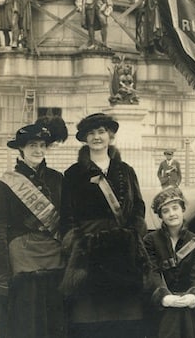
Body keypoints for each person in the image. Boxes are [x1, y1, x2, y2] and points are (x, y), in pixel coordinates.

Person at [59, 113, 150, 338]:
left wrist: (133, 233)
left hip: (123, 252)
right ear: (84, 139)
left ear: (109, 136)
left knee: (125, 319)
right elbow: (67, 215)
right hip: (89, 253)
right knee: (89, 320)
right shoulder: (73, 174)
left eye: (101, 132)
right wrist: (77, 241)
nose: (97, 137)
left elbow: (138, 206)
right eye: (91, 133)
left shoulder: (126, 171)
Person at [0, 118, 68, 338]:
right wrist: (2, 271)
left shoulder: (57, 178)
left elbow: (65, 219)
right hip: (24, 255)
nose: (38, 150)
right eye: (32, 145)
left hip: (54, 253)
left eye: (42, 145)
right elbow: (0, 229)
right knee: (28, 321)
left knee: (56, 319)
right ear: (21, 149)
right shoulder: (7, 183)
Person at [143, 187, 195, 338]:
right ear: (161, 216)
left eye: (175, 208)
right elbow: (152, 272)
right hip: (159, 305)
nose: (172, 214)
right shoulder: (149, 241)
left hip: (188, 303)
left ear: (183, 209)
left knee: (183, 312)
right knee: (174, 313)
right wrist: (164, 297)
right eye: (165, 211)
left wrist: (193, 296)